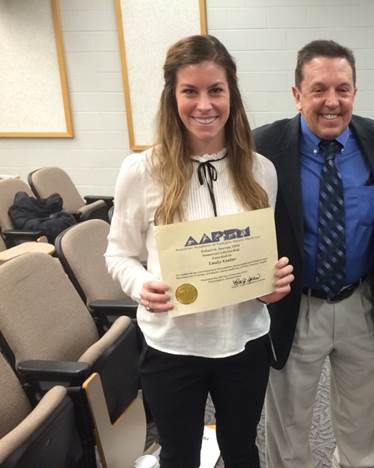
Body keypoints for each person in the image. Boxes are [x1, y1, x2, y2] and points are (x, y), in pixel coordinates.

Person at [105, 35, 294, 468]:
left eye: (216, 90)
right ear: (173, 97)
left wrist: (270, 285)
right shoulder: (140, 171)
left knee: (242, 451)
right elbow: (118, 255)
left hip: (243, 341)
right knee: (179, 455)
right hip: (172, 344)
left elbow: (260, 256)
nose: (204, 104)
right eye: (190, 91)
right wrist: (141, 285)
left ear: (232, 95)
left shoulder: (261, 170)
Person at [253, 40, 374, 468]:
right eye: (318, 89)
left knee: (360, 420)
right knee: (289, 423)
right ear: (297, 94)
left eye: (343, 89)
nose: (332, 101)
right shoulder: (263, 147)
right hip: (297, 305)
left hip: (361, 303)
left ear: (355, 92)